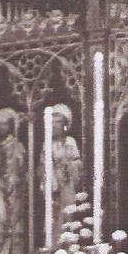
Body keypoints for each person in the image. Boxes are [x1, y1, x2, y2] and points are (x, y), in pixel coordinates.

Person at [0, 107, 26, 254]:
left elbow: (22, 167)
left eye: (4, 124)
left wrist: (15, 178)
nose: (0, 128)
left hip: (14, 187)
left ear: (11, 126)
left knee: (15, 218)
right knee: (0, 217)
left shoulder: (17, 145)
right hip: (1, 186)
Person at [39, 103, 82, 245]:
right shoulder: (48, 144)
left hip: (68, 183)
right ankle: (54, 244)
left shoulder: (70, 142)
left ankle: (69, 242)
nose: (55, 127)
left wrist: (69, 166)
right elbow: (44, 165)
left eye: (58, 123)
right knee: (54, 214)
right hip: (53, 183)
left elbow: (77, 162)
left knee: (68, 212)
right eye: (52, 124)